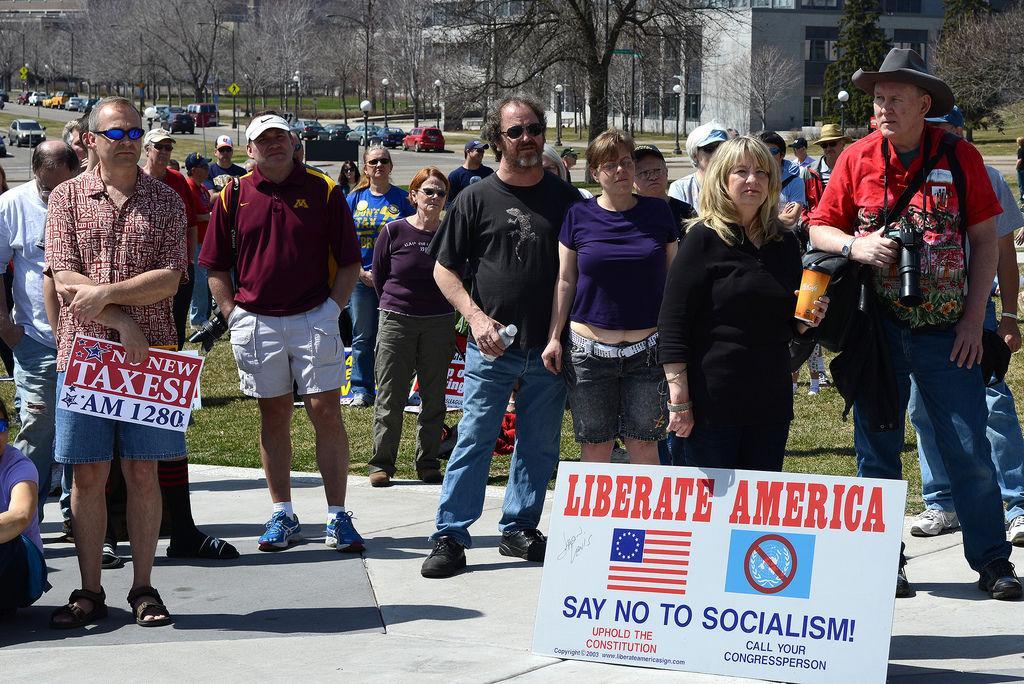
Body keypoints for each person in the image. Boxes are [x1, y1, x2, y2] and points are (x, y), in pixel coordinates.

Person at [808, 48, 1020, 600]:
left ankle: (993, 562)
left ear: (924, 104)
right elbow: (819, 230)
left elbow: (984, 244)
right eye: (878, 99)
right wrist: (857, 245)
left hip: (948, 332)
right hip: (876, 333)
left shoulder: (960, 157)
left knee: (970, 448)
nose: (883, 109)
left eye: (895, 99)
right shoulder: (855, 159)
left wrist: (976, 321)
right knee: (876, 448)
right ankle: (884, 563)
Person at [420, 94, 580, 578]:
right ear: (497, 140)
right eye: (516, 131)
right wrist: (476, 319)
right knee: (474, 437)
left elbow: (577, 272)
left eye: (534, 128)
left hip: (550, 346)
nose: (527, 138)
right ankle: (450, 534)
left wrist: (560, 335)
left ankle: (519, 529)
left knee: (539, 443)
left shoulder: (567, 199)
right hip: (492, 345)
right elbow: (444, 271)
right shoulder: (474, 198)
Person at [47, 96, 187, 628]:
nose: (126, 141)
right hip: (84, 353)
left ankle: (144, 587)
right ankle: (88, 590)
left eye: (133, 132)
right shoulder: (66, 198)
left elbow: (170, 277)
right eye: (115, 133)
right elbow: (64, 277)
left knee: (144, 471)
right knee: (87, 474)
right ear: (91, 140)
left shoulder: (167, 201)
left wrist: (107, 298)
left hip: (151, 361)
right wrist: (125, 320)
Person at [201, 113, 365, 554]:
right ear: (249, 149)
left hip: (315, 316)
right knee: (273, 416)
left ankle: (337, 516)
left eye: (280, 138)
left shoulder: (324, 190)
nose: (273, 146)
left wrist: (333, 308)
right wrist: (232, 314)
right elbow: (215, 265)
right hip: (254, 321)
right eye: (262, 140)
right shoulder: (232, 194)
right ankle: (283, 512)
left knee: (325, 411)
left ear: (294, 143)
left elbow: (350, 261)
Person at [658, 136, 827, 471]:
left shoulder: (785, 243)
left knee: (757, 517)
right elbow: (672, 324)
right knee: (709, 514)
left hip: (770, 399)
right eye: (741, 172)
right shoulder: (702, 239)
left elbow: (793, 326)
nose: (753, 180)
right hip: (712, 401)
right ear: (723, 179)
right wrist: (679, 399)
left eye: (762, 172)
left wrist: (809, 320)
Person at [907, 106, 1024, 547]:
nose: (935, 137)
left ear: (958, 130)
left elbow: (1004, 251)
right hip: (920, 315)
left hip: (974, 313)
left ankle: (1017, 503)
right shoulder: (906, 172)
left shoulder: (985, 176)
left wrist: (1008, 315)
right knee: (922, 409)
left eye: (943, 129)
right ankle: (941, 502)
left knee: (992, 407)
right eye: (930, 130)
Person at [542, 128, 677, 465]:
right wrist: (553, 337)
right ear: (594, 173)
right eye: (611, 165)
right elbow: (565, 279)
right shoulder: (578, 215)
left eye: (627, 162)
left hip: (648, 351)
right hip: (588, 352)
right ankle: (592, 521)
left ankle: (648, 521)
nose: (621, 170)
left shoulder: (658, 213)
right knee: (596, 446)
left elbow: (675, 281)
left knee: (644, 445)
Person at [0, 142, 79, 520]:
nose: (55, 196)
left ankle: (77, 516)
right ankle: (27, 522)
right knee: (37, 426)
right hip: (34, 339)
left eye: (63, 186)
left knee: (80, 433)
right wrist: (5, 327)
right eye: (48, 189)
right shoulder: (12, 205)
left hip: (85, 340)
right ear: (35, 172)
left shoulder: (85, 202)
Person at [369, 167, 456, 487]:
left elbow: (460, 276)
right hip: (396, 322)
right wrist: (397, 305)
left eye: (441, 193)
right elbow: (379, 277)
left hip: (439, 323)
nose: (434, 197)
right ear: (414, 196)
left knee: (434, 399)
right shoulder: (393, 231)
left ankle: (428, 462)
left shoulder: (450, 234)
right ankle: (381, 464)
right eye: (428, 191)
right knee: (390, 396)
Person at [345, 144, 415, 407]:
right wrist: (360, 271)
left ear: (391, 166)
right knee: (363, 335)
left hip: (395, 280)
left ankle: (394, 388)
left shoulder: (403, 199)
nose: (379, 166)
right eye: (373, 162)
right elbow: (343, 241)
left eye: (384, 161)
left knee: (395, 336)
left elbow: (414, 236)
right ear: (365, 168)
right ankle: (362, 389)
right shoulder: (354, 199)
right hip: (361, 279)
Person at [140, 128, 199, 350]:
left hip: (179, 266)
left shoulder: (178, 180)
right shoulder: (136, 179)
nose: (165, 152)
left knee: (177, 320)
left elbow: (191, 223)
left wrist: (189, 260)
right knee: (149, 322)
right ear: (147, 150)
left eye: (168, 147)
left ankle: (172, 364)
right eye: (159, 147)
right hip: (147, 268)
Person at [0, 398, 49, 617]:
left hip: (21, 567)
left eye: (0, 426)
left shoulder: (19, 466)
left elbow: (20, 516)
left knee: (7, 540)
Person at [633, 144, 693, 239]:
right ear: (632, 179)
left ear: (666, 172)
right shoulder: (627, 213)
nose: (653, 177)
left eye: (657, 170)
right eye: (644, 173)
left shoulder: (686, 212)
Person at [184, 152, 214, 330]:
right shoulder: (188, 187)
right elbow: (191, 216)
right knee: (200, 282)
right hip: (196, 242)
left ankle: (203, 315)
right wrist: (211, 216)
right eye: (203, 166)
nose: (207, 169)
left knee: (206, 280)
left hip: (206, 240)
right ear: (194, 170)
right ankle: (197, 320)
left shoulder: (201, 188)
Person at [668, 121, 727, 208]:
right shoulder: (681, 188)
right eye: (710, 149)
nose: (717, 154)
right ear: (695, 156)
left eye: (723, 148)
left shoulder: (736, 184)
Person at [804, 124, 853, 214]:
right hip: (818, 222)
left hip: (846, 223)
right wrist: (807, 224)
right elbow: (803, 204)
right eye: (824, 145)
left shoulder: (853, 168)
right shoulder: (809, 172)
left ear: (842, 144)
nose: (828, 148)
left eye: (832, 143)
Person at [759, 131, 805, 227]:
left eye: (773, 151)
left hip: (782, 237)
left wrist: (760, 220)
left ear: (782, 155)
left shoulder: (795, 182)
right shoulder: (753, 180)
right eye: (763, 151)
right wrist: (779, 217)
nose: (768, 156)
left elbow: (791, 218)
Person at [1016, 136, 1024, 202]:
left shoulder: (1020, 150)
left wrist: (1016, 167)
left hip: (1021, 169)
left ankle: (1022, 199)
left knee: (1021, 185)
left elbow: (1019, 160)